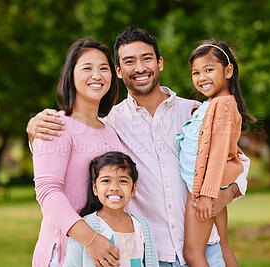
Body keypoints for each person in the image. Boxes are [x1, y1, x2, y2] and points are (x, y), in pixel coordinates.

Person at [27, 26, 250, 266]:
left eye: (147, 59)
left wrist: (226, 194)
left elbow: (236, 160)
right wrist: (33, 130)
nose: (140, 68)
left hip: (205, 249)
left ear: (160, 63)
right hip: (152, 255)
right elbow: (61, 162)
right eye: (129, 62)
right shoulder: (111, 123)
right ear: (119, 71)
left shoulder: (195, 112)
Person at [32, 38, 125, 267]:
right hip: (65, 254)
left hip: (106, 253)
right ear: (70, 76)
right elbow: (47, 191)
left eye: (104, 68)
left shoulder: (111, 131)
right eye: (87, 68)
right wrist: (91, 240)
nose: (97, 75)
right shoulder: (55, 125)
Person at [176, 41, 255, 267]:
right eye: (196, 73)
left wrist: (207, 196)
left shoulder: (222, 106)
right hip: (212, 187)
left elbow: (219, 153)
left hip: (204, 191)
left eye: (209, 70)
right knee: (221, 244)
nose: (202, 77)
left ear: (228, 71)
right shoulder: (214, 105)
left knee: (193, 253)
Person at [63, 151, 159, 267]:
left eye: (123, 181)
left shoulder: (141, 225)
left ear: (133, 189)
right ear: (95, 188)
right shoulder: (87, 227)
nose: (114, 187)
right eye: (106, 181)